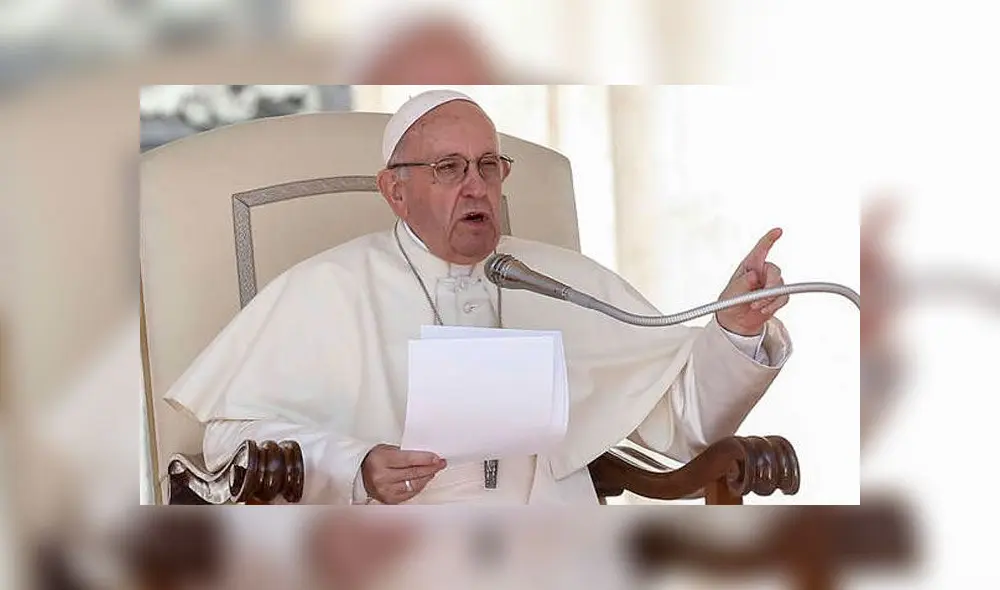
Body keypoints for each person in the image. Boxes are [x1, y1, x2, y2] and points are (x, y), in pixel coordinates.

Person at [164, 89, 793, 505]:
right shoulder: (328, 288)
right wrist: (356, 467)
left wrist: (733, 330)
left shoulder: (563, 281)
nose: (477, 186)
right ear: (395, 190)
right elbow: (229, 441)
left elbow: (679, 427)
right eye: (449, 168)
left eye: (489, 166)